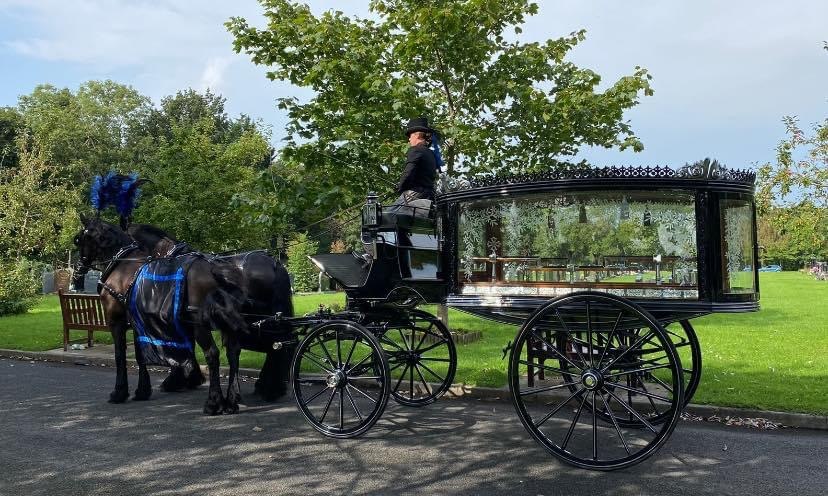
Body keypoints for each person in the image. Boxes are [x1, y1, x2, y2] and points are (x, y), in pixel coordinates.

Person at [396, 117, 440, 203]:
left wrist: (400, 186)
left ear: (417, 135)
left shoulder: (415, 150)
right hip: (430, 197)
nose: (409, 139)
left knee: (387, 215)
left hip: (415, 195)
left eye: (410, 136)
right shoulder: (431, 154)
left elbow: (408, 173)